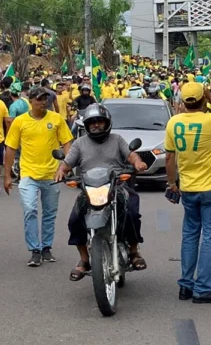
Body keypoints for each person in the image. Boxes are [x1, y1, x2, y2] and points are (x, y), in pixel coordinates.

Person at [165, 83, 211, 304]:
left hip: (188, 187)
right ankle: (203, 288)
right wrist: (210, 96)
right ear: (202, 100)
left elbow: (169, 158)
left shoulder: (173, 122)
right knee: (210, 238)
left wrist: (172, 183)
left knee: (190, 236)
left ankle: (186, 285)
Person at [58, 103, 147, 277]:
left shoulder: (117, 139)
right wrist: (61, 172)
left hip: (117, 186)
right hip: (90, 189)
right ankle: (84, 259)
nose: (96, 125)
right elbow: (67, 164)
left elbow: (131, 154)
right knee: (75, 220)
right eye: (92, 122)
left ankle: (134, 251)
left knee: (131, 213)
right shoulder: (79, 143)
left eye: (100, 121)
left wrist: (137, 162)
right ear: (87, 125)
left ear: (107, 123)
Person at [3, 87, 72, 266]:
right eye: (39, 99)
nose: (43, 102)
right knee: (30, 210)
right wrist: (7, 175)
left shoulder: (56, 119)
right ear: (31, 101)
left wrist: (65, 166)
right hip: (28, 174)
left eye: (45, 99)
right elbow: (10, 148)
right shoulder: (20, 122)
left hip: (52, 174)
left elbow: (67, 142)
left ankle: (46, 248)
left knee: (49, 214)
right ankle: (34, 249)